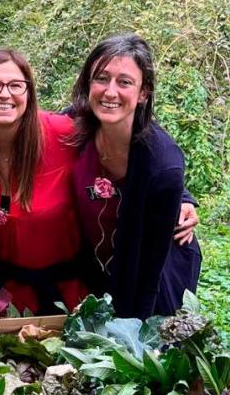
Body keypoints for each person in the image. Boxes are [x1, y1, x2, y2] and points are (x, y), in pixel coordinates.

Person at [68, 33, 201, 319]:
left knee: (151, 342)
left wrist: (133, 335)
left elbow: (147, 276)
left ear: (143, 93)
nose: (110, 92)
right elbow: (28, 127)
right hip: (102, 265)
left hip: (160, 270)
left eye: (124, 82)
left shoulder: (162, 164)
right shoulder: (76, 126)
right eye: (101, 78)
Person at [0, 48, 89, 315]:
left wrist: (180, 197)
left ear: (28, 92)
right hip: (4, 294)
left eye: (16, 85)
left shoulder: (61, 133)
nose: (4, 94)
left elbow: (123, 139)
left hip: (70, 294)